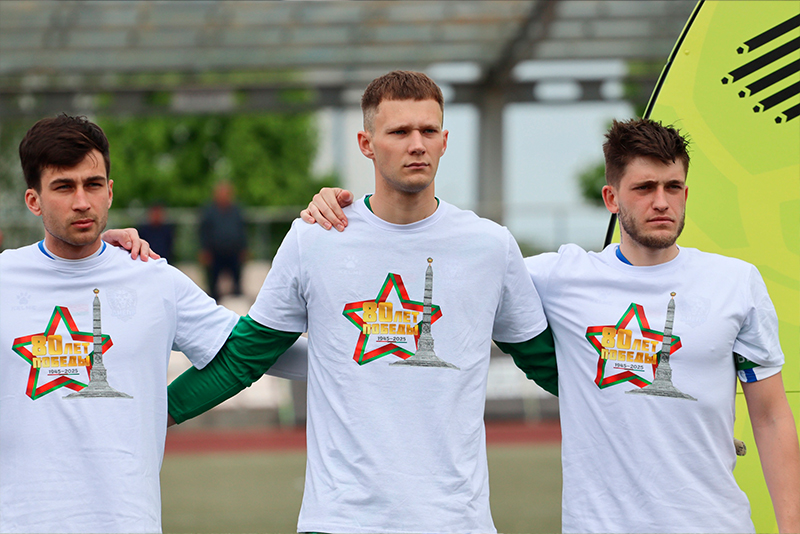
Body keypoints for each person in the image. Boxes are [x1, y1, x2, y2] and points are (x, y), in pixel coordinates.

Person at [304, 118, 800, 533]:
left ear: (686, 192)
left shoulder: (736, 283)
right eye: (644, 188)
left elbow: (772, 417)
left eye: (673, 187)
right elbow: (441, 270)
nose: (662, 202)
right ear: (611, 198)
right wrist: (350, 215)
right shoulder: (558, 277)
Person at [167, 71, 554, 534]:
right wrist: (151, 412)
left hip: (457, 523)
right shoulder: (315, 238)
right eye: (399, 132)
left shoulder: (491, 246)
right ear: (366, 143)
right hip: (340, 522)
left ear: (445, 141)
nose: (417, 144)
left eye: (428, 130)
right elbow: (243, 358)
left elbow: (548, 364)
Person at [0, 114, 242, 534]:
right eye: (64, 187)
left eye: (93, 185)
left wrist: (169, 406)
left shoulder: (153, 276)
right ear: (33, 200)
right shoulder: (5, 278)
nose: (82, 201)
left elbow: (250, 348)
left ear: (110, 192)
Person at [199, 181, 248, 301]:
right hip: (215, 252)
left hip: (234, 251)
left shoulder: (236, 210)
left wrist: (244, 248)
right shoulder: (209, 211)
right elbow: (203, 232)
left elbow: (242, 230)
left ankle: (237, 304)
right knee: (213, 284)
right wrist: (204, 250)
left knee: (237, 282)